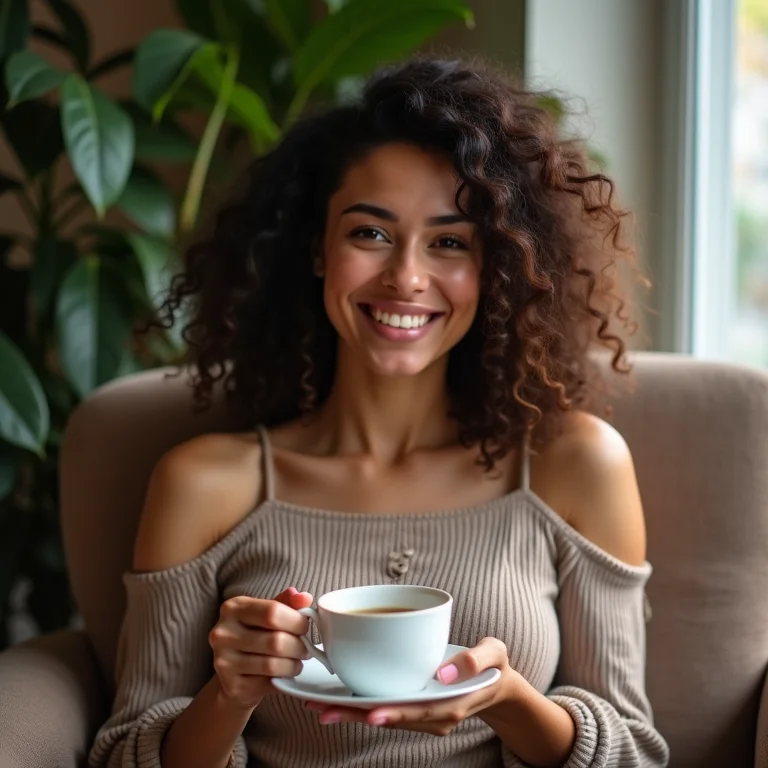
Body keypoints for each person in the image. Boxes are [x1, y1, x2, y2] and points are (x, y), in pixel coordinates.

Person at [88, 58, 670, 768]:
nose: (407, 277)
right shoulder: (205, 484)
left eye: (451, 242)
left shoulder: (574, 465)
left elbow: (635, 754)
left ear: (499, 269)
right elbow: (124, 755)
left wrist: (508, 699)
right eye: (370, 233)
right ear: (316, 249)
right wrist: (230, 693)